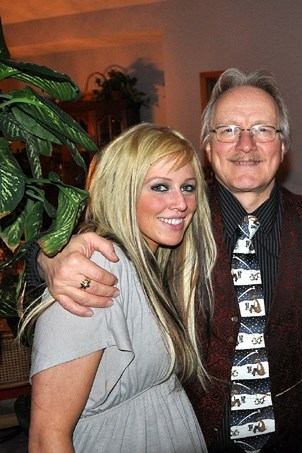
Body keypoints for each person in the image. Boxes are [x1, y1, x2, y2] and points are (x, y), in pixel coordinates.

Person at [27, 68, 302, 452]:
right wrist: (46, 259)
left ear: (282, 145)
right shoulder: (174, 222)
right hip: (188, 433)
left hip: (289, 435)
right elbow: (98, 243)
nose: (246, 144)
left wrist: (288, 367)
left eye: (263, 130)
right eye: (228, 130)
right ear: (208, 147)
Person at [23, 123, 216, 452]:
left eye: (188, 187)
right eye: (159, 187)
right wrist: (45, 256)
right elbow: (47, 437)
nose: (181, 203)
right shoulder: (98, 271)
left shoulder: (159, 264)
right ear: (122, 191)